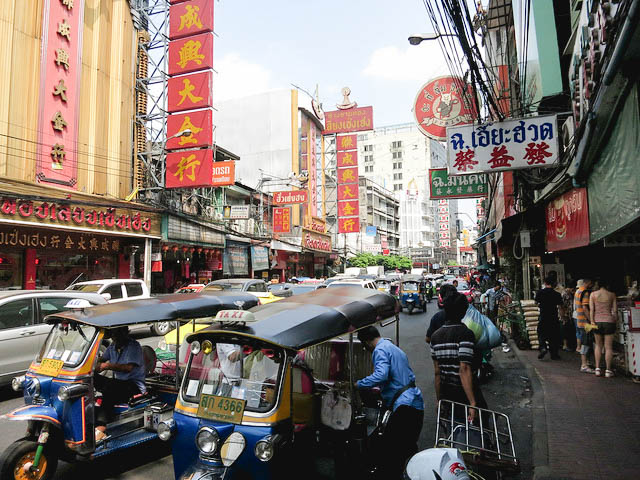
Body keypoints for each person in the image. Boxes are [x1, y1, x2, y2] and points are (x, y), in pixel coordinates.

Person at [355, 326, 424, 478]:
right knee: (406, 447)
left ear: (366, 342)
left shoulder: (379, 350)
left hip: (404, 406)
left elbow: (381, 375)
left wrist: (359, 384)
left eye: (364, 346)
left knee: (392, 451)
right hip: (414, 402)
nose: (366, 349)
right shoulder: (391, 347)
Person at [431, 293, 487, 423]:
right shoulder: (465, 334)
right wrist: (473, 403)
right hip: (465, 393)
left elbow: (437, 372)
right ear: (464, 311)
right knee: (478, 427)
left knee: (453, 428)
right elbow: (464, 368)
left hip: (447, 393)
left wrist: (439, 400)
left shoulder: (435, 337)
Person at [94, 327, 146, 442]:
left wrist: (106, 366)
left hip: (134, 386)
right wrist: (94, 363)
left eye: (118, 333)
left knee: (110, 388)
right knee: (93, 379)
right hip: (118, 384)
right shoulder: (112, 346)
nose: (115, 336)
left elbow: (128, 368)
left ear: (125, 333)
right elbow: (102, 358)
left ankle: (101, 427)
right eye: (113, 334)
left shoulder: (134, 346)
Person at [589, 279, 617, 377]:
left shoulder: (593, 295)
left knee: (598, 345)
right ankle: (608, 371)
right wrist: (615, 320)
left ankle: (597, 368)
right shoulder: (612, 295)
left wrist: (592, 321)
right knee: (608, 347)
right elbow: (615, 311)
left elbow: (592, 310)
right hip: (609, 322)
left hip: (597, 321)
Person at [535, 276, 563, 360]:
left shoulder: (540, 292)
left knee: (541, 333)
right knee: (553, 336)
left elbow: (536, 302)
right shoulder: (557, 294)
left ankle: (543, 347)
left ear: (545, 283)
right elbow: (560, 306)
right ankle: (554, 355)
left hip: (543, 316)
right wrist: (562, 316)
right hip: (553, 317)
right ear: (554, 284)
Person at [574, 278, 594, 372]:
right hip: (585, 322)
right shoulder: (585, 293)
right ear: (588, 282)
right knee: (586, 342)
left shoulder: (578, 291)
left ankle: (587, 362)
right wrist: (591, 320)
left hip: (580, 320)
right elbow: (585, 308)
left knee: (586, 341)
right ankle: (584, 365)